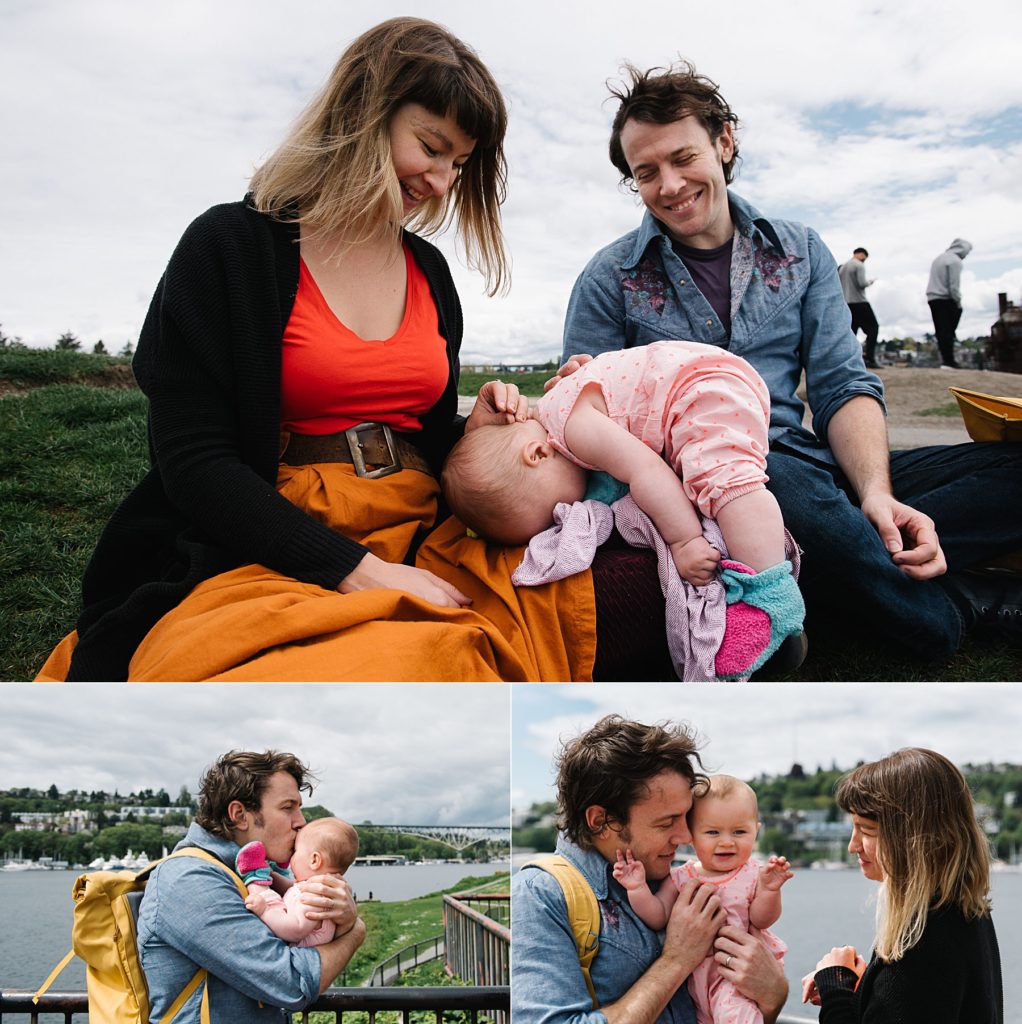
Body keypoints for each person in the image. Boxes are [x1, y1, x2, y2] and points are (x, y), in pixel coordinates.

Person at [36, 17, 591, 683]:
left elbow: (412, 432)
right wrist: (357, 571)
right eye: (431, 147)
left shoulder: (431, 274)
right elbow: (194, 460)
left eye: (459, 164)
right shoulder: (230, 246)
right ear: (364, 112)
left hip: (420, 524)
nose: (443, 182)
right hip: (269, 537)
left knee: (555, 612)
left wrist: (476, 430)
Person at [557, 60, 1022, 663]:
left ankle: (849, 556)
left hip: (811, 460)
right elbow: (586, 426)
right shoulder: (608, 277)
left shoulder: (800, 249)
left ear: (724, 141)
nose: (669, 185)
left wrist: (876, 493)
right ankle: (952, 610)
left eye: (683, 158)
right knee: (793, 503)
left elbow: (842, 385)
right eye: (646, 173)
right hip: (706, 483)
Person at [442, 341, 805, 675]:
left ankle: (769, 595)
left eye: (553, 509)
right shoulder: (557, 418)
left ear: (537, 454)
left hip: (700, 390)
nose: (566, 511)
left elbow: (647, 471)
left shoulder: (574, 429)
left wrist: (685, 542)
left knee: (725, 482)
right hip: (697, 380)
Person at [511, 715, 789, 1024]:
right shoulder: (541, 894)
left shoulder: (672, 875)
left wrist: (773, 994)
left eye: (687, 818)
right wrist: (676, 960)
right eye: (667, 821)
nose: (685, 837)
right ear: (600, 821)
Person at [137, 750, 365, 1021]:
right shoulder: (189, 880)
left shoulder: (251, 872)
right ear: (239, 815)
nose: (301, 822)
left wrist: (341, 915)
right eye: (287, 807)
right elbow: (292, 983)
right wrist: (355, 932)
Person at [802, 748, 1003, 1022]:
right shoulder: (968, 912)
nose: (853, 846)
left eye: (867, 830)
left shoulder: (922, 947)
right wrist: (867, 988)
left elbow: (914, 989)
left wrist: (834, 986)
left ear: (910, 840)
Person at [614, 775, 791, 1024]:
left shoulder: (753, 873)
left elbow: (760, 919)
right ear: (691, 835)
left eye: (740, 831)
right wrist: (637, 888)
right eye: (712, 832)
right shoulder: (682, 876)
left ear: (756, 830)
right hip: (697, 979)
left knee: (736, 1015)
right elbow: (658, 915)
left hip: (735, 975)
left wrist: (770, 890)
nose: (727, 841)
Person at [237, 816, 359, 947]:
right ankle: (264, 873)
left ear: (314, 861)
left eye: (295, 851)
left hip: (293, 948)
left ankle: (255, 875)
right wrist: (273, 875)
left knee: (272, 900)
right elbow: (291, 889)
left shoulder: (318, 898)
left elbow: (296, 929)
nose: (291, 857)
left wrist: (265, 911)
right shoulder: (315, 887)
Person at [927, 239, 973, 369]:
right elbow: (954, 285)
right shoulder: (955, 261)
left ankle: (946, 360)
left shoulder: (938, 258)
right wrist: (958, 302)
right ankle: (949, 360)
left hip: (932, 297)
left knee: (941, 330)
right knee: (948, 331)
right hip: (945, 298)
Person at [838, 248, 880, 368]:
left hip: (846, 303)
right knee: (873, 328)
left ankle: (848, 359)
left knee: (851, 332)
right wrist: (870, 282)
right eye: (865, 258)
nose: (864, 260)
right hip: (859, 301)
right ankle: (869, 358)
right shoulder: (859, 265)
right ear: (862, 254)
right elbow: (861, 283)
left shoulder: (842, 267)